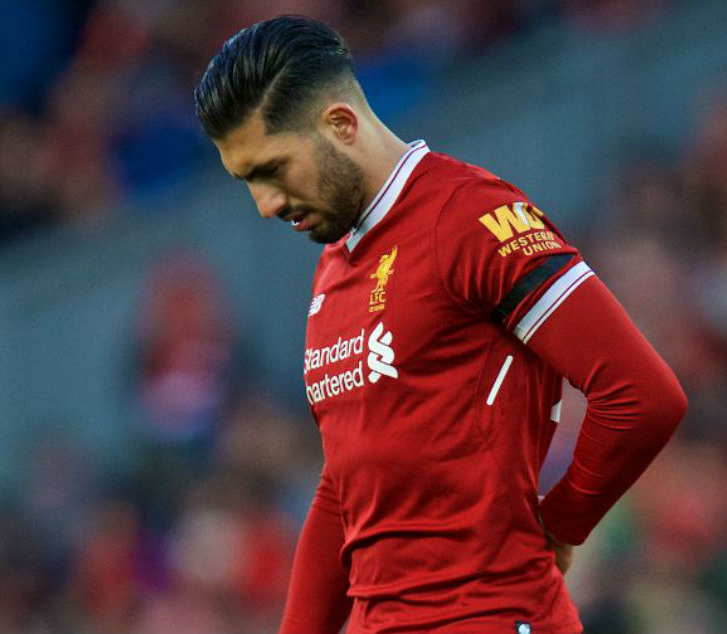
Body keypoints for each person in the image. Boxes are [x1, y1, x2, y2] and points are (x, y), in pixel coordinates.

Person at [194, 15, 687, 634]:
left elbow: (642, 395)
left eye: (272, 170)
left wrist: (561, 524)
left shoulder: (471, 217)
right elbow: (344, 487)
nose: (265, 205)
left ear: (340, 124)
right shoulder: (333, 265)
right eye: (247, 181)